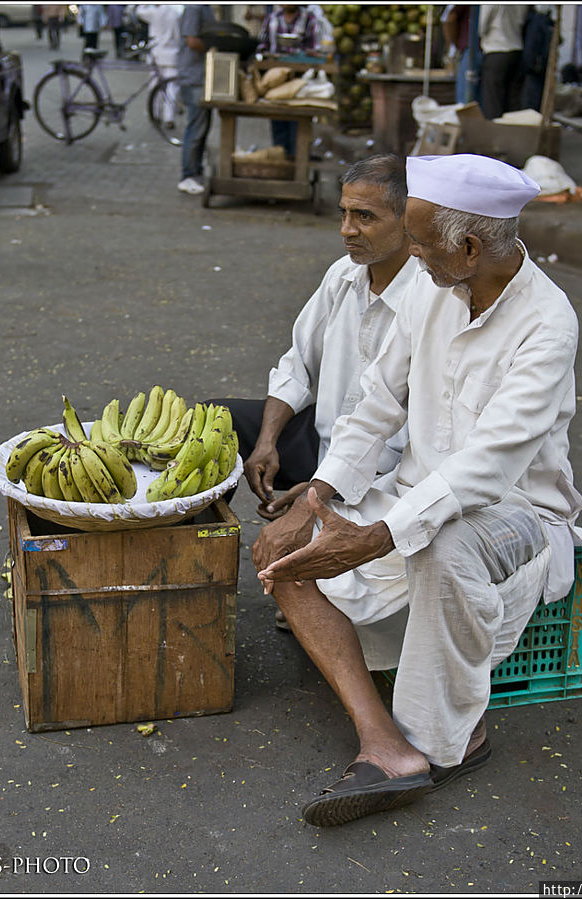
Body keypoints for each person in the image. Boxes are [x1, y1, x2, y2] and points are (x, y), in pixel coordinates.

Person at [253, 153, 582, 827]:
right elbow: (377, 403)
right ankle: (382, 739)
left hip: (517, 515)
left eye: (422, 243)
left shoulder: (548, 324)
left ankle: (447, 741)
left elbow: (488, 468)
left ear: (470, 248)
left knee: (443, 545)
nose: (412, 256)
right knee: (280, 553)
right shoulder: (435, 289)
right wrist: (318, 497)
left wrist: (375, 535)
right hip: (414, 495)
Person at [219, 155, 417, 633]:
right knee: (214, 421)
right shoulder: (343, 277)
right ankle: (207, 565)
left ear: (409, 221)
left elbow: (391, 439)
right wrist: (267, 442)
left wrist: (316, 493)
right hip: (325, 440)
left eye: (365, 217)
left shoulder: (427, 298)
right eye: (344, 214)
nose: (348, 229)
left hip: (382, 469)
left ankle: (304, 577)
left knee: (328, 550)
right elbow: (297, 366)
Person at [256, 5, 321, 158]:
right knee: (278, 124)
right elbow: (262, 46)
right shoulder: (272, 18)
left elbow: (315, 49)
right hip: (275, 81)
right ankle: (281, 161)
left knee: (298, 126)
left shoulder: (309, 19)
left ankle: (297, 159)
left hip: (300, 81)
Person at [177, 4, 215, 195]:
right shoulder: (195, 7)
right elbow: (192, 41)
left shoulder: (206, 7)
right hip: (194, 77)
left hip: (202, 76)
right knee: (196, 127)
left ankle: (196, 172)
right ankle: (188, 175)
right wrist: (215, 48)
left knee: (203, 127)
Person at [136, 4, 185, 126]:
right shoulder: (177, 12)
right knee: (172, 87)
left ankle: (155, 113)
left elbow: (139, 11)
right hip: (173, 54)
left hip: (157, 54)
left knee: (155, 85)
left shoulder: (154, 12)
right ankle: (169, 117)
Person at [478, 4, 529, 119]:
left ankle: (495, 133)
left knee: (493, 102)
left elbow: (481, 26)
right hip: (516, 48)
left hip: (496, 49)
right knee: (513, 102)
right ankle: (512, 132)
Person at [519, 5, 555, 111]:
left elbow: (531, 47)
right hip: (540, 66)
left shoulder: (537, 21)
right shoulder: (545, 21)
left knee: (531, 102)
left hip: (535, 68)